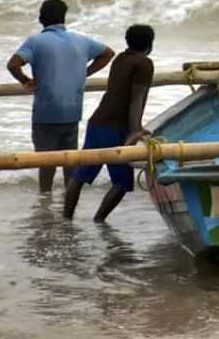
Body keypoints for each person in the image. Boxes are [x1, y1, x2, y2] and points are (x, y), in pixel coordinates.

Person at [7, 0, 114, 193]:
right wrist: (85, 72)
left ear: (41, 18)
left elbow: (13, 64)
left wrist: (25, 80)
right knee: (69, 160)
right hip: (72, 110)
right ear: (64, 18)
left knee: (46, 162)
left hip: (46, 111)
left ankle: (45, 199)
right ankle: (69, 201)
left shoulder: (35, 41)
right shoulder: (82, 40)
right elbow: (108, 53)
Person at [64, 24, 155, 222]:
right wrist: (135, 130)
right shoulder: (144, 63)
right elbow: (137, 97)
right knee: (122, 182)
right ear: (150, 44)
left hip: (97, 122)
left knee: (80, 175)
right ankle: (98, 221)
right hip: (116, 127)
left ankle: (66, 219)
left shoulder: (120, 59)